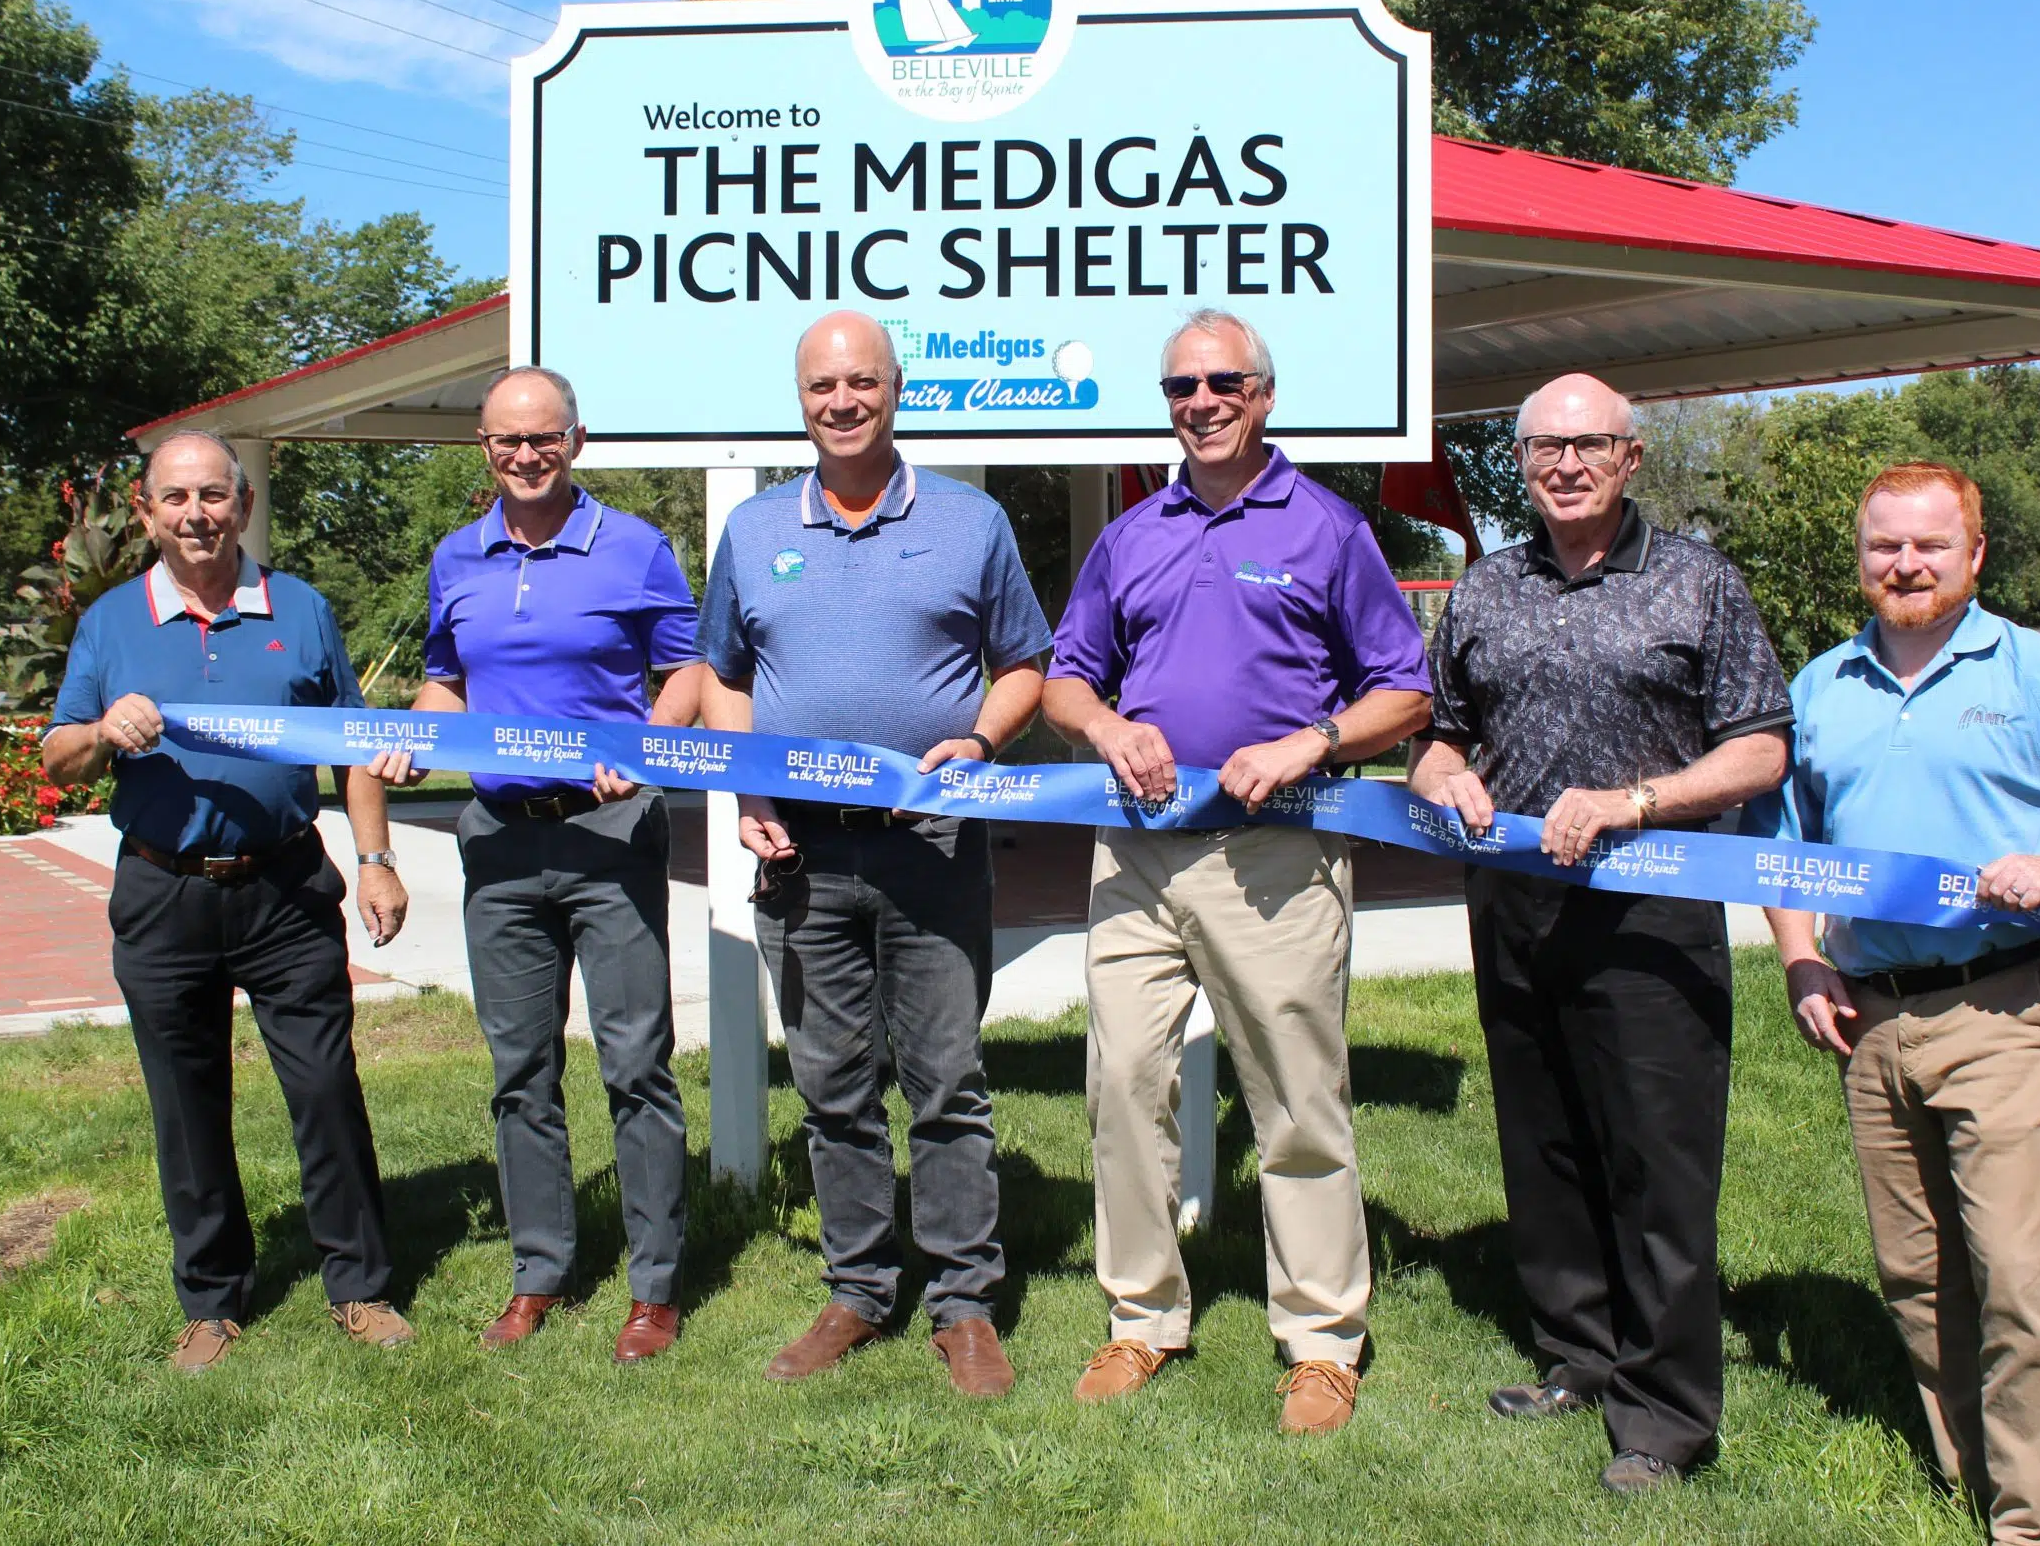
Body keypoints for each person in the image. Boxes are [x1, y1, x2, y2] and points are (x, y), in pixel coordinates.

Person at [1757, 462, 2040, 1546]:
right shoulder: (1819, 687)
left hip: (2001, 1011)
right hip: (1868, 1015)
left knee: (2016, 1280)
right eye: (1883, 548)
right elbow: (1783, 845)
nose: (1904, 565)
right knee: (1915, 1276)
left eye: (1928, 546)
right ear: (1860, 558)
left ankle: (2030, 1525)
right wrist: (1800, 963)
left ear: (1973, 555)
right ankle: (1966, 1479)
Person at [1041, 309, 1433, 1436]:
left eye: (1222, 383)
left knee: (1297, 1102)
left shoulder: (1325, 527)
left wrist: (1312, 741)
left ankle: (1321, 1341)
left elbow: (1402, 692)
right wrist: (1109, 728)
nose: (1200, 402)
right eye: (1179, 388)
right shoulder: (1131, 533)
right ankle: (1139, 1318)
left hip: (1275, 858)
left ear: (1263, 395)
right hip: (1136, 857)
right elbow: (1069, 678)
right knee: (1122, 1091)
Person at [1409, 373, 1791, 1492]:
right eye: (1543, 450)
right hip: (1515, 902)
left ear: (1630, 458)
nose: (1564, 466)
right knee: (1546, 1141)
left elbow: (1759, 745)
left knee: (1655, 1162)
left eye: (1588, 447)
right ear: (1520, 466)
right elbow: (1439, 733)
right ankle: (1574, 1356)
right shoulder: (1485, 587)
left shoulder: (1697, 582)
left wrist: (1638, 801)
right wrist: (1443, 780)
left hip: (1650, 903)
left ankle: (1665, 1414)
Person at [698, 310, 1051, 1399]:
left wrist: (984, 738)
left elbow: (1025, 663)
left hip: (932, 847)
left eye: (861, 382)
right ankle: (857, 1290)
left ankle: (964, 1303)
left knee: (946, 1082)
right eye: (821, 386)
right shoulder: (755, 530)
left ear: (896, 391)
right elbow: (724, 677)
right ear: (799, 399)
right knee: (831, 1085)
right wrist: (747, 787)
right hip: (802, 857)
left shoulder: (969, 521)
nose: (841, 401)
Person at [44, 429, 414, 1373]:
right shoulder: (112, 622)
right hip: (164, 891)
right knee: (185, 1099)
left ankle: (360, 1284)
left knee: (326, 1087)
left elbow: (356, 743)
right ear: (146, 512)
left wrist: (374, 859)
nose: (196, 514)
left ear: (242, 506)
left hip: (287, 886)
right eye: (176, 498)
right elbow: (56, 755)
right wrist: (101, 730)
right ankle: (210, 1298)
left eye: (214, 495)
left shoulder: (300, 608)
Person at [367, 367, 709, 1362]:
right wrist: (415, 740)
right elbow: (444, 683)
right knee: (521, 1072)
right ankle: (539, 1273)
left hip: (609, 837)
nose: (525, 456)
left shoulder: (635, 548)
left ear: (576, 441)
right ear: (484, 447)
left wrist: (643, 751)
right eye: (506, 442)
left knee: (636, 1063)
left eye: (543, 439)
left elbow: (684, 670)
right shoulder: (455, 559)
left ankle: (655, 1287)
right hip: (501, 841)